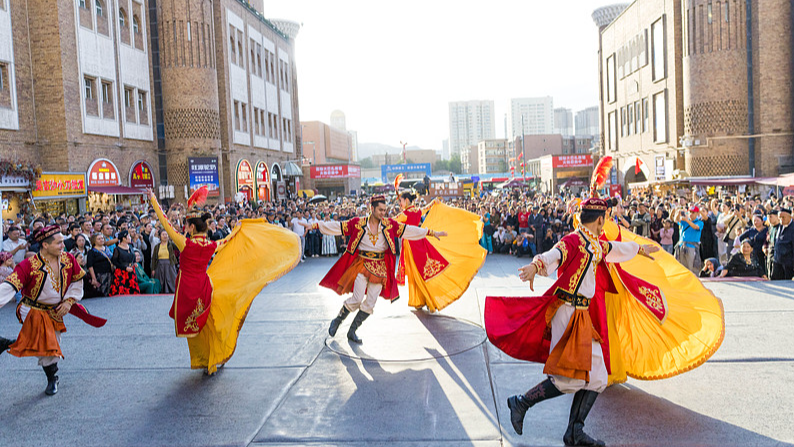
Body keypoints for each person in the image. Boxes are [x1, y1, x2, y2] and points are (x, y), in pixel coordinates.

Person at [485, 196, 660, 446]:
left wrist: (639, 249)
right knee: (570, 380)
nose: (605, 224)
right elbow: (554, 254)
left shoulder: (596, 244)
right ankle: (521, 403)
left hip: (582, 315)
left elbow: (613, 249)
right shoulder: (574, 240)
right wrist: (536, 266)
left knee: (598, 375)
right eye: (605, 219)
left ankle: (574, 431)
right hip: (567, 311)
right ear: (600, 219)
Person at [147, 187, 300, 375]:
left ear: (192, 227)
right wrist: (238, 230)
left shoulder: (184, 243)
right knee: (208, 325)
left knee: (197, 332)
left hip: (187, 290)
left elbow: (165, 223)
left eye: (187, 225)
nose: (185, 228)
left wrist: (153, 199)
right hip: (204, 287)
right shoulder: (212, 245)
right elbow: (227, 241)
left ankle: (204, 360)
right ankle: (213, 360)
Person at [304, 195, 447, 344]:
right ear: (371, 209)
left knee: (370, 303)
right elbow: (339, 227)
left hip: (380, 268)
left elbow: (408, 230)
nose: (383, 213)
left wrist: (431, 232)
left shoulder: (390, 224)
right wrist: (315, 226)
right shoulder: (359, 223)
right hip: (361, 264)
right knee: (357, 298)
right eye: (380, 210)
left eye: (384, 210)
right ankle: (338, 320)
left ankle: (352, 330)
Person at [0, 225, 105, 395]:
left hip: (55, 310)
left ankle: (7, 343)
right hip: (32, 309)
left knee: (43, 344)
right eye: (59, 243)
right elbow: (10, 285)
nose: (63, 246)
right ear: (45, 245)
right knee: (49, 345)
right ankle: (52, 379)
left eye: (63, 242)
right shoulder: (29, 265)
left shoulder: (69, 259)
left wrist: (69, 302)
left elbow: (77, 281)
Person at [395, 191, 485, 312]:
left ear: (406, 200)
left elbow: (391, 222)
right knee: (424, 273)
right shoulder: (418, 211)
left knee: (417, 275)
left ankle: (425, 300)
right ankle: (425, 300)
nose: (399, 204)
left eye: (400, 201)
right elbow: (428, 207)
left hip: (411, 246)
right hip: (421, 242)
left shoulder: (404, 214)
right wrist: (434, 202)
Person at [109, 230, 140, 296]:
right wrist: (125, 268)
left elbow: (133, 256)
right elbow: (114, 261)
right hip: (121, 272)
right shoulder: (117, 249)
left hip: (131, 270)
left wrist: (134, 262)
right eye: (128, 236)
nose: (130, 238)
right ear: (123, 238)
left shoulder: (130, 247)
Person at [674, 207, 703, 273]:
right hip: (682, 246)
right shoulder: (684, 221)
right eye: (690, 212)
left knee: (692, 267)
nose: (691, 214)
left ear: (697, 213)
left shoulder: (700, 222)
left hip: (692, 247)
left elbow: (696, 227)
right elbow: (676, 220)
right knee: (682, 267)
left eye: (693, 212)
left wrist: (687, 220)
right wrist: (678, 213)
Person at [85, 233, 113, 298]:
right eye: (99, 239)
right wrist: (94, 278)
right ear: (94, 241)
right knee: (102, 293)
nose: (101, 240)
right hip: (99, 275)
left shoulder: (107, 249)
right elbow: (90, 265)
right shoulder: (92, 252)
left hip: (109, 273)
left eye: (102, 238)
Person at [152, 229, 178, 293]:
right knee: (160, 280)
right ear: (160, 236)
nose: (165, 236)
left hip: (169, 264)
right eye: (163, 234)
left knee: (171, 280)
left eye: (166, 234)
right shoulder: (157, 246)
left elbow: (178, 247)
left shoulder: (170, 244)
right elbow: (154, 258)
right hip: (160, 265)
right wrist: (153, 269)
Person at [772, 208, 794, 280]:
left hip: (788, 264)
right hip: (777, 262)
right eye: (779, 217)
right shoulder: (779, 226)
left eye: (783, 217)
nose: (781, 219)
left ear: (790, 217)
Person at [765, 210, 781, 278]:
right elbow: (767, 240)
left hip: (778, 255)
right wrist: (765, 247)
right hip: (769, 254)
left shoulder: (781, 228)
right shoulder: (770, 228)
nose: (769, 219)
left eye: (771, 217)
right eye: (768, 217)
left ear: (777, 217)